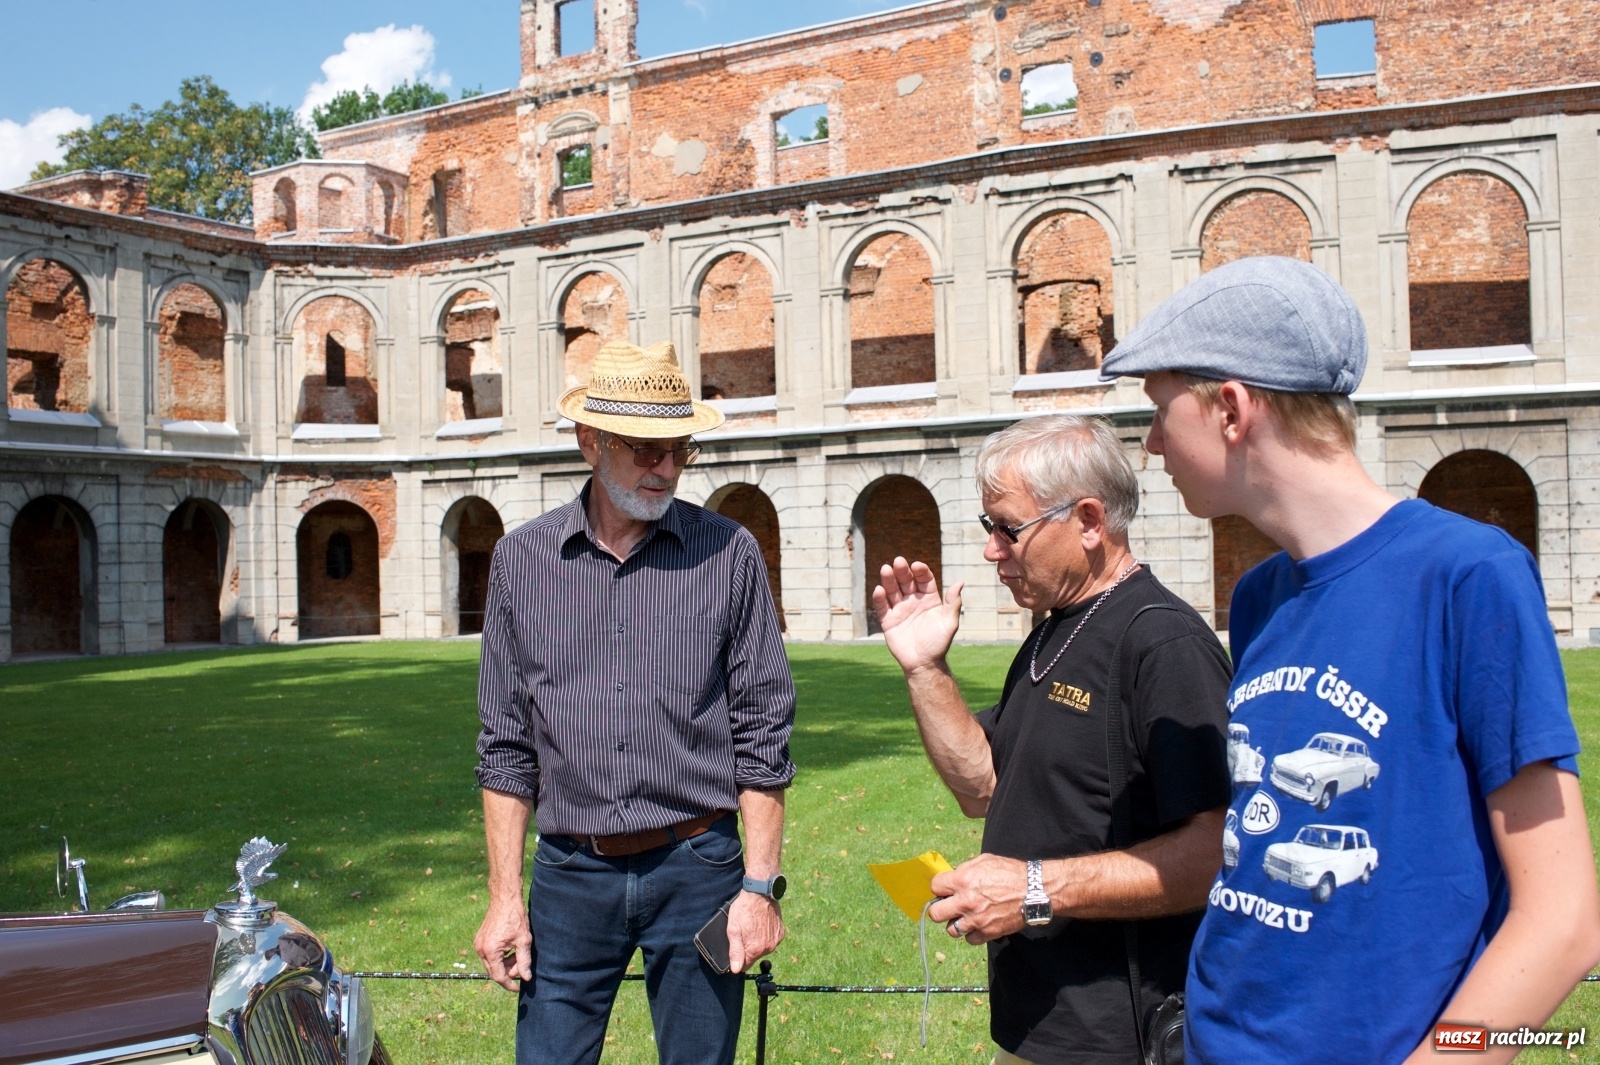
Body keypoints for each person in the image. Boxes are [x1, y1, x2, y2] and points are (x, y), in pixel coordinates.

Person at [1098, 255, 1600, 1064]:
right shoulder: (1259, 596)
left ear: (1231, 408)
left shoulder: (1470, 575)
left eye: (1159, 410)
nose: (1150, 443)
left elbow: (1564, 919)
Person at [873, 413, 1234, 1064]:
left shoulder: (1163, 644)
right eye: (989, 530)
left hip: (1125, 1038)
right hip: (1037, 1023)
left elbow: (1216, 853)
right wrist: (925, 668)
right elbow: (982, 784)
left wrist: (1034, 888)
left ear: (1090, 521)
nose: (991, 551)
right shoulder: (1051, 631)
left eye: (1008, 529)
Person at [473, 339, 796, 1065]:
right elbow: (504, 744)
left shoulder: (730, 553)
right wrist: (504, 896)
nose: (668, 468)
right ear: (590, 440)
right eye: (647, 448)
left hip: (699, 869)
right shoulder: (522, 561)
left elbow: (763, 727)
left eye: (680, 449)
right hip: (568, 874)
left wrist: (759, 887)